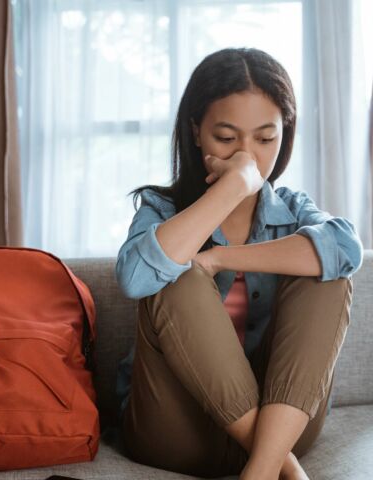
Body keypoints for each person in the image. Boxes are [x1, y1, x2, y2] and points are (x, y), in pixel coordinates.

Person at [114, 47, 364, 480]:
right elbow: (135, 278)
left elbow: (347, 250)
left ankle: (261, 469)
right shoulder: (161, 209)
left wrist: (220, 257)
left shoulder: (294, 210)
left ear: (284, 133)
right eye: (227, 139)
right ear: (196, 132)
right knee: (178, 272)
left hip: (281, 429)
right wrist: (234, 187)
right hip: (175, 434)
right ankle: (280, 470)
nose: (246, 154)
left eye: (265, 139)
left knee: (326, 273)